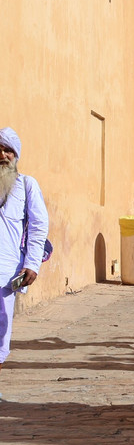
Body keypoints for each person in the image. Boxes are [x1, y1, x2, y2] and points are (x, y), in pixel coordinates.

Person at [0, 128, 49, 383]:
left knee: (1, 327)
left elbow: (39, 226)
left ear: (16, 155)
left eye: (8, 150)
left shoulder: (27, 185)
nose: (3, 154)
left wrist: (32, 263)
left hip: (6, 271)